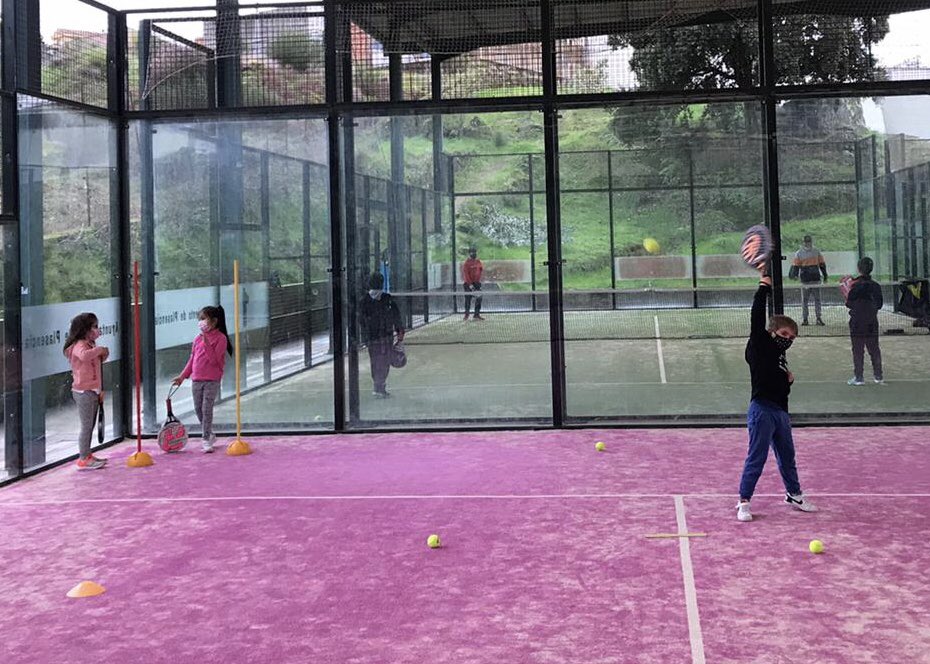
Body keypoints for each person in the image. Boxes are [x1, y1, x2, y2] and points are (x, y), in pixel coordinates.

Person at [737, 265, 818, 522]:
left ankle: (794, 494)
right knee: (757, 457)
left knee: (787, 457)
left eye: (792, 337)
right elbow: (756, 315)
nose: (788, 339)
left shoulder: (781, 355)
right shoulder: (760, 344)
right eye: (784, 334)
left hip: (781, 412)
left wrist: (788, 380)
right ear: (772, 333)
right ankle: (743, 502)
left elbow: (778, 381)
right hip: (761, 410)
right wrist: (764, 285)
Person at [172, 306, 233, 453]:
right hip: (197, 379)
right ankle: (210, 434)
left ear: (214, 321)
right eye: (200, 319)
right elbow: (192, 360)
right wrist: (182, 376)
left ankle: (205, 439)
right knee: (198, 409)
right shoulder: (197, 339)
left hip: (212, 380)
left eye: (203, 319)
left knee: (207, 409)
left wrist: (206, 342)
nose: (201, 322)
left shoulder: (221, 339)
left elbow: (214, 360)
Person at [64, 313, 110, 470]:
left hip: (92, 391)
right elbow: (84, 357)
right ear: (85, 329)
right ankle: (83, 457)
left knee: (90, 425)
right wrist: (99, 350)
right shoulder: (79, 345)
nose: (98, 330)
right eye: (95, 327)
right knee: (86, 426)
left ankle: (87, 454)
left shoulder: (90, 345)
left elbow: (96, 365)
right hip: (83, 392)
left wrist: (103, 353)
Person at [359, 272, 405, 398]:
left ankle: (378, 387)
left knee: (376, 361)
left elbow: (361, 321)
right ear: (382, 283)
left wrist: (364, 338)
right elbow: (397, 318)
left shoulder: (365, 301)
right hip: (384, 337)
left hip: (374, 338)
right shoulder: (387, 299)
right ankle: (379, 387)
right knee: (383, 361)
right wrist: (400, 333)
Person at [846, 256, 884, 386]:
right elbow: (879, 304)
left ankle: (859, 378)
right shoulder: (876, 286)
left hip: (857, 322)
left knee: (857, 350)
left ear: (859, 269)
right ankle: (878, 376)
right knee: (874, 349)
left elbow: (849, 303)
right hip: (872, 322)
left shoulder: (855, 286)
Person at [788, 235, 828, 326]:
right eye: (806, 242)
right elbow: (796, 266)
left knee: (816, 299)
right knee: (805, 300)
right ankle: (805, 319)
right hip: (805, 281)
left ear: (811, 242)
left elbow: (822, 264)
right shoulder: (800, 253)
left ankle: (818, 318)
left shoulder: (816, 252)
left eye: (808, 241)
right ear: (804, 243)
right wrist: (794, 275)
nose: (807, 243)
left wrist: (825, 275)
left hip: (814, 280)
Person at [462, 246, 485, 321]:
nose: (474, 254)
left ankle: (476, 314)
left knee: (479, 298)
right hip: (468, 284)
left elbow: (480, 271)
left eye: (475, 252)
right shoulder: (466, 263)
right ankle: (466, 315)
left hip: (477, 284)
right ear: (469, 254)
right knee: (468, 300)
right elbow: (466, 275)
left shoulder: (478, 262)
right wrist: (470, 285)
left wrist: (478, 283)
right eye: (472, 252)